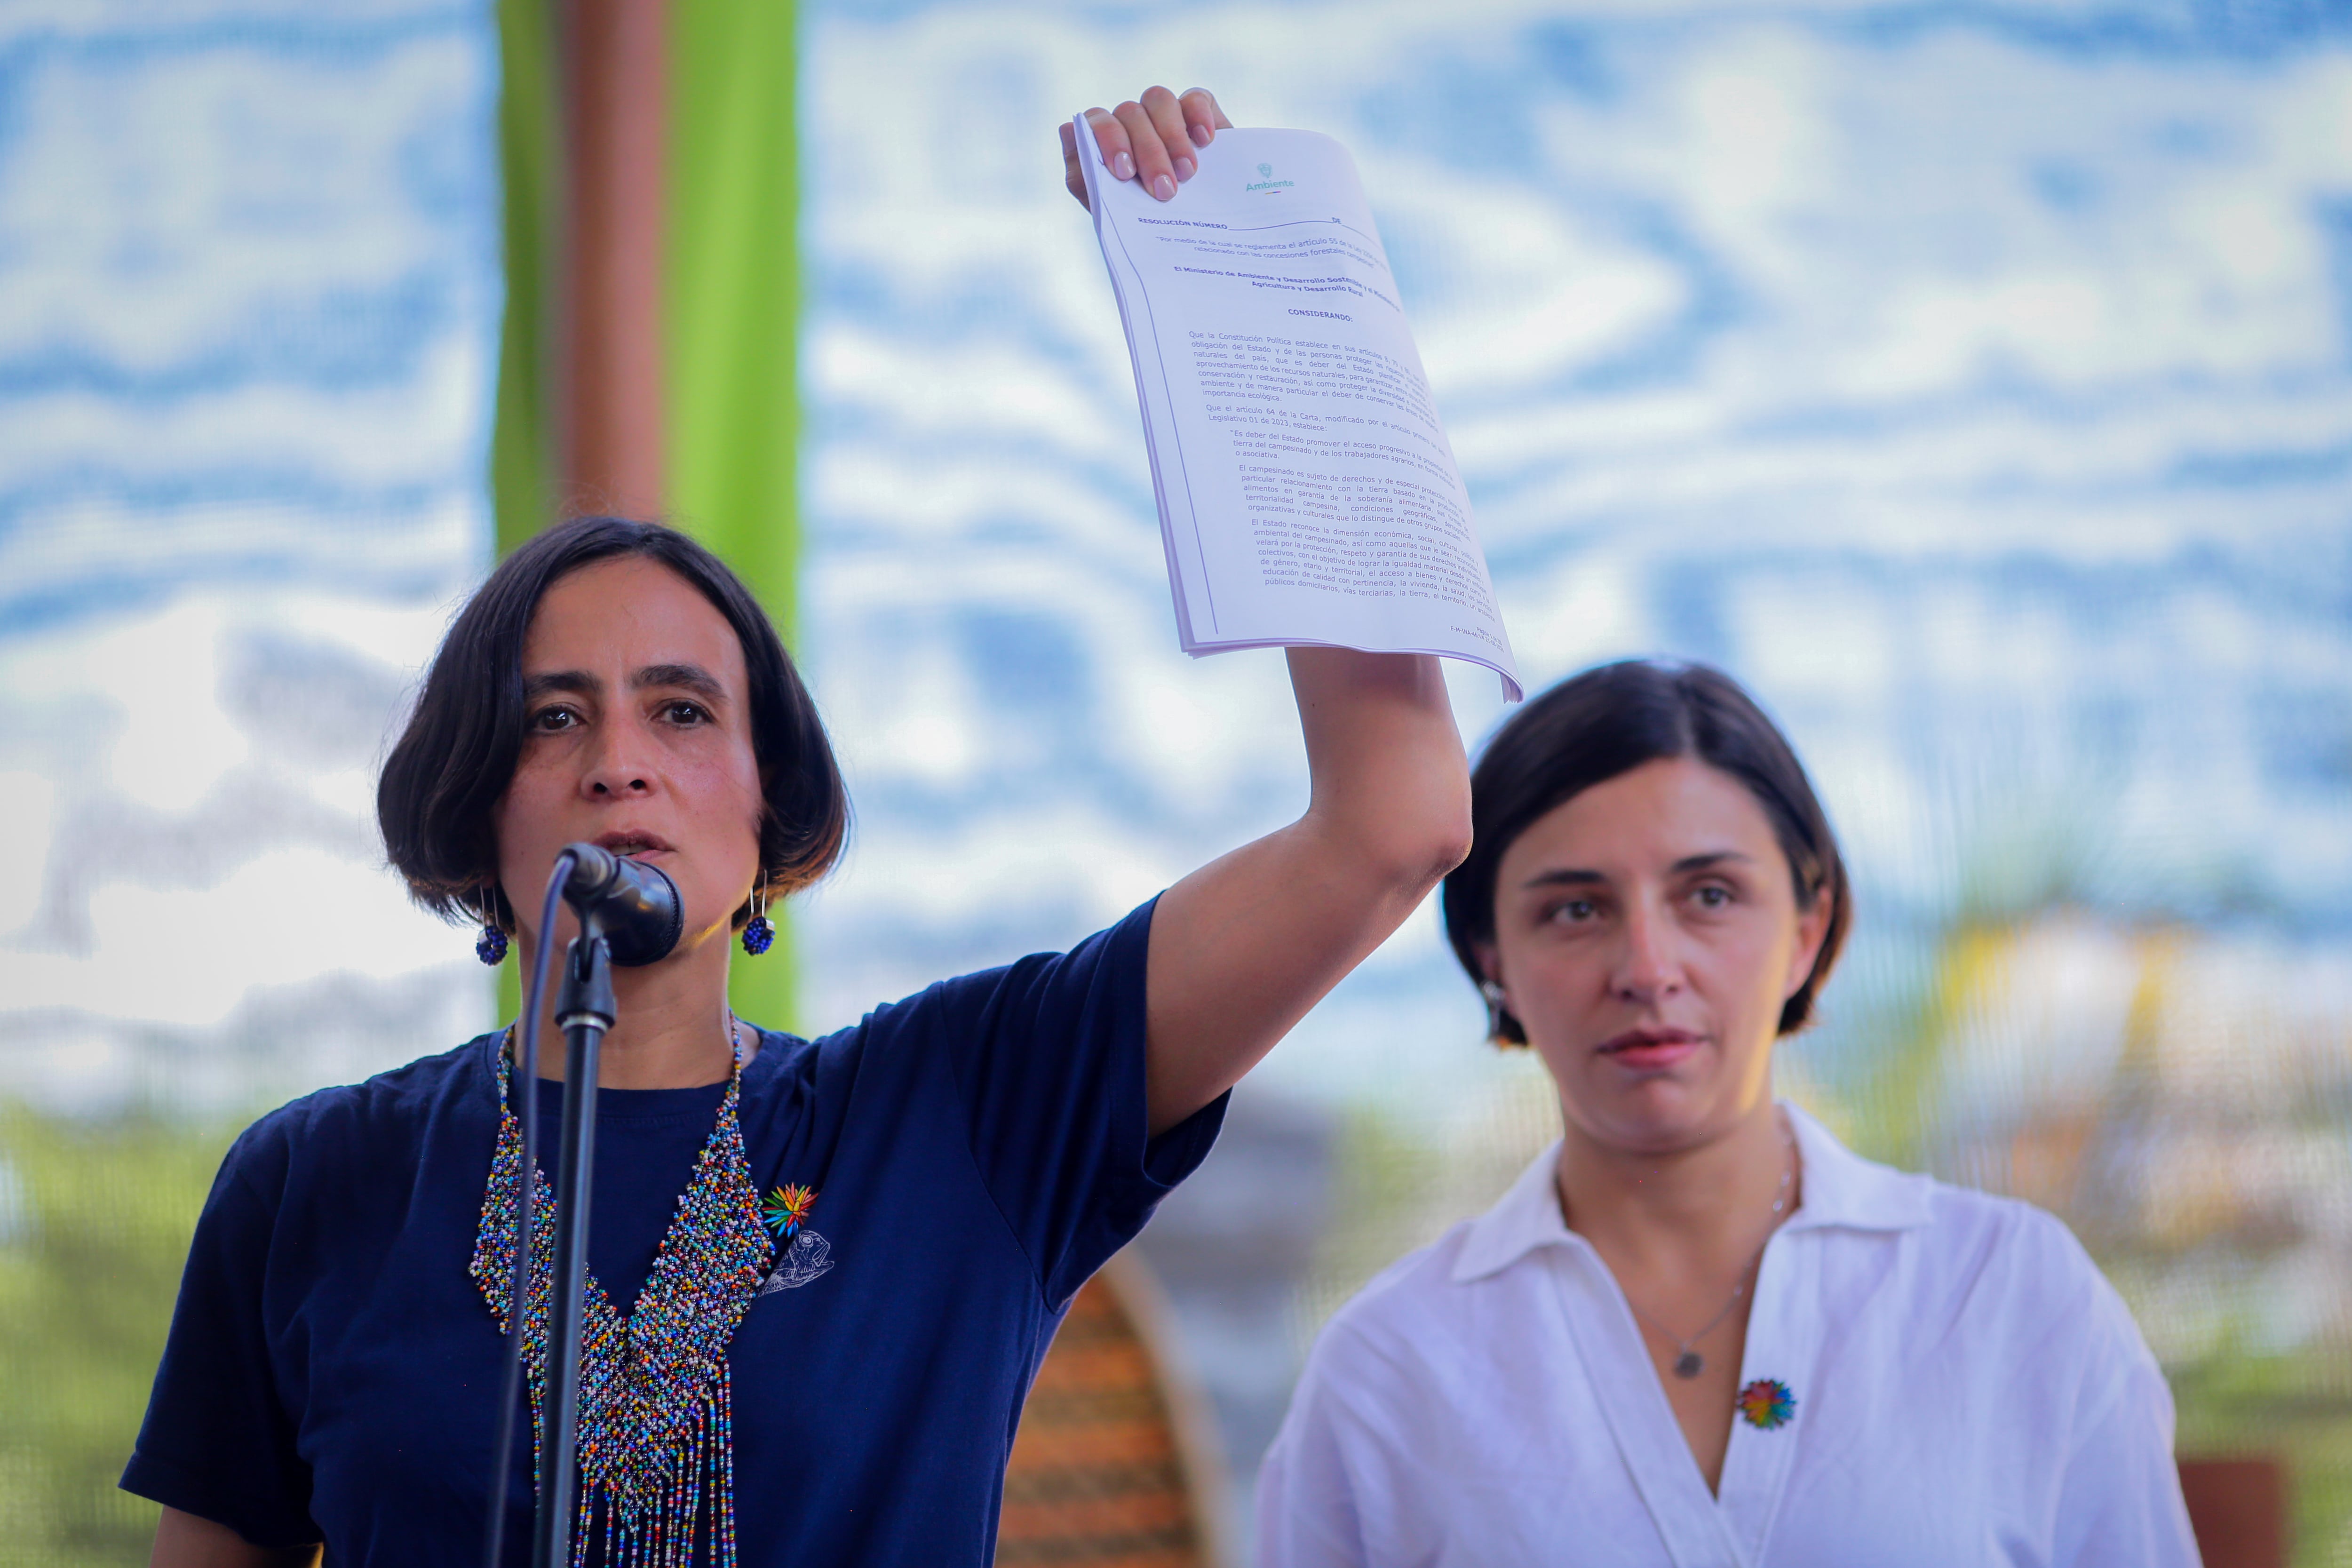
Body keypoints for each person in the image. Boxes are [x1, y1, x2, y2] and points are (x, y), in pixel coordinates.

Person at [125, 88, 1466, 1568]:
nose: (619, 760)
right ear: (470, 796)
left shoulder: (957, 1110)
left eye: (685, 711)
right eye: (554, 715)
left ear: (779, 810)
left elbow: (1391, 826)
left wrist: (1248, 317)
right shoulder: (315, 1179)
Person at [1255, 661, 2201, 1567]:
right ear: (1489, 952)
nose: (1647, 967)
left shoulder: (2007, 1298)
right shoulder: (1393, 1365)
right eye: (1574, 910)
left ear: (1806, 931)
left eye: (1708, 895)